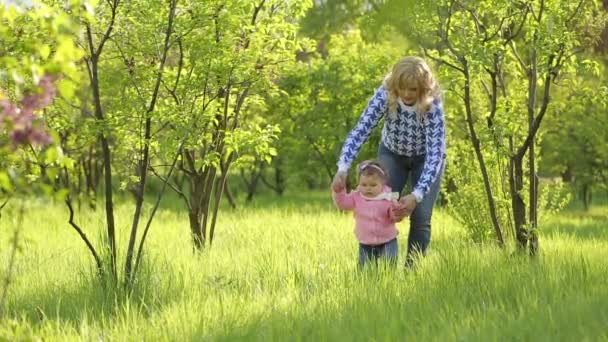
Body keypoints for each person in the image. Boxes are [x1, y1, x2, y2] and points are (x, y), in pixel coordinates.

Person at [331, 56, 446, 268]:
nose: (407, 94)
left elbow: (435, 155)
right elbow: (361, 130)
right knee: (379, 204)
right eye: (403, 88)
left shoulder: (433, 106)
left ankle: (412, 271)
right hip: (393, 153)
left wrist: (417, 195)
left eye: (413, 89)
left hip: (426, 159)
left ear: (423, 87)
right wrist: (343, 167)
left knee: (420, 216)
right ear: (395, 86)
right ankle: (377, 267)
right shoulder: (384, 95)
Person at [332, 159, 401, 268]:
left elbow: (394, 216)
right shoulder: (356, 197)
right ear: (359, 183)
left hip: (388, 240)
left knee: (389, 263)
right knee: (365, 268)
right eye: (364, 185)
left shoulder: (387, 198)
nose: (368, 188)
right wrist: (338, 191)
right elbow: (343, 204)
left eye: (373, 185)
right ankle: (367, 282)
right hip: (366, 242)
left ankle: (387, 282)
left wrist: (396, 212)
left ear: (382, 185)